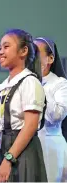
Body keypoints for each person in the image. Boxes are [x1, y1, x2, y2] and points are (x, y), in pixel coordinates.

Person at [0, 29, 47, 182]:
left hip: (21, 156)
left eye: (6, 47)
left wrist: (9, 158)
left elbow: (30, 126)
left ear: (23, 51)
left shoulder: (30, 82)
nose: (1, 52)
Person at [34, 37, 67, 182]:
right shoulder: (23, 82)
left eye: (36, 53)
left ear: (50, 58)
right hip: (26, 148)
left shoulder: (60, 83)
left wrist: (38, 87)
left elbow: (57, 115)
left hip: (50, 147)